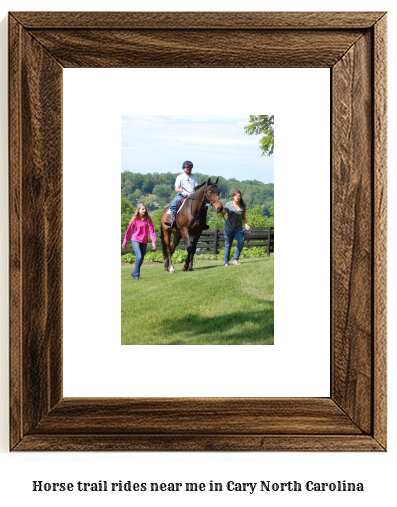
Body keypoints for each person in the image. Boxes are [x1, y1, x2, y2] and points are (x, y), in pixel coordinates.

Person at [122, 204, 156, 279]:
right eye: (142, 209)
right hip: (135, 240)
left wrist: (153, 241)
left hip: (144, 241)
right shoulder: (135, 220)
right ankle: (136, 276)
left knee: (141, 260)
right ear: (138, 210)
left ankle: (134, 272)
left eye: (145, 209)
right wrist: (124, 242)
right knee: (139, 257)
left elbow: (152, 231)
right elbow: (128, 232)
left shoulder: (148, 219)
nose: (144, 210)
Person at [164, 160, 198, 228]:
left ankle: (202, 222)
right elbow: (176, 189)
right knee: (174, 202)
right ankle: (172, 219)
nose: (189, 169)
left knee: (204, 204)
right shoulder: (180, 177)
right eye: (187, 168)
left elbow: (196, 188)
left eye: (190, 167)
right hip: (182, 195)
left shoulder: (195, 177)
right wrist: (181, 190)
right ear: (183, 168)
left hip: (192, 196)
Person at [220, 190, 250, 266]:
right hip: (229, 228)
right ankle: (226, 262)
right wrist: (220, 210)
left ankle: (235, 259)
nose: (237, 197)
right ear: (233, 196)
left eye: (239, 195)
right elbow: (222, 215)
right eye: (236, 195)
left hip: (238, 228)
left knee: (241, 241)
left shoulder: (243, 206)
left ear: (240, 197)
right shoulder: (228, 204)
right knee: (228, 245)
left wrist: (246, 225)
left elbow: (244, 217)